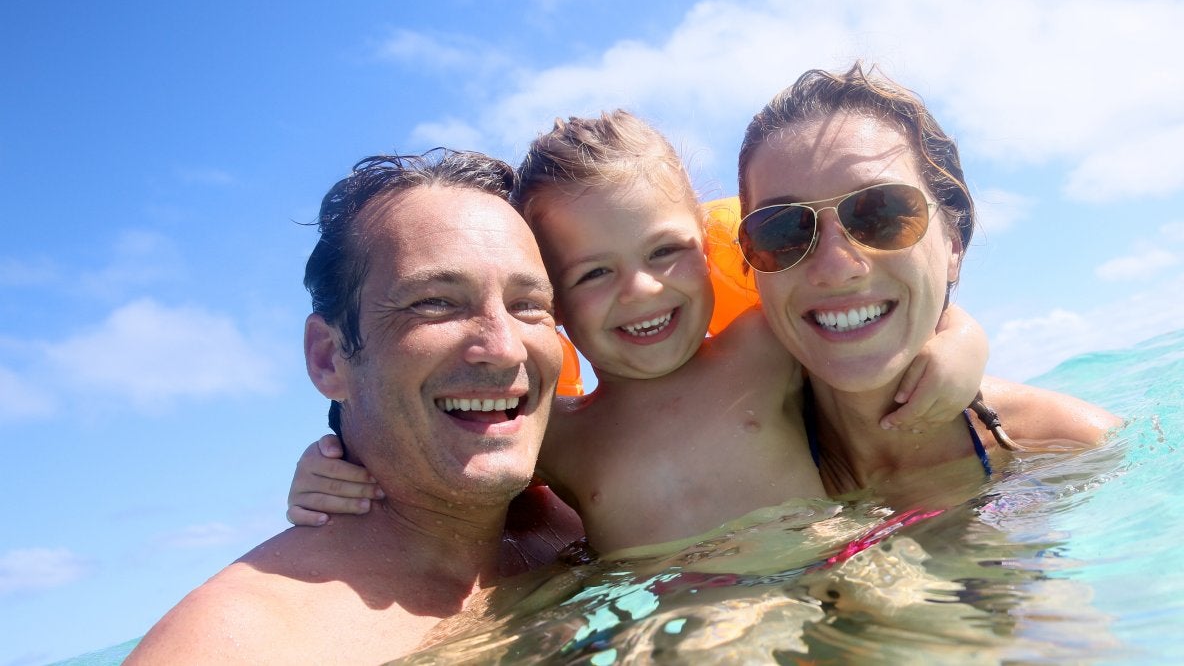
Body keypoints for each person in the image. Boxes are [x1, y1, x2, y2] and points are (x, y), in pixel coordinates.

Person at [289, 111, 995, 555]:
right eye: (595, 274)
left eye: (664, 253)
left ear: (703, 241)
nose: (641, 291)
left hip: (838, 568)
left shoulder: (760, 349)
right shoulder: (561, 436)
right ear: (553, 302)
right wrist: (333, 470)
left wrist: (959, 346)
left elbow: (875, 328)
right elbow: (441, 458)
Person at [128, 151, 575, 664]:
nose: (505, 348)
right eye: (434, 303)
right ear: (328, 360)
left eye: (528, 305)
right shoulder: (234, 646)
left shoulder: (608, 513)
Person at [733, 63, 1120, 499]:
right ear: (751, 263)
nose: (837, 266)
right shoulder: (725, 469)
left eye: (882, 213)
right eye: (783, 231)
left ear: (953, 246)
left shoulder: (1074, 448)